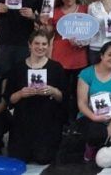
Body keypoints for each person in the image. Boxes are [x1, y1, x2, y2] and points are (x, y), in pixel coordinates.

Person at [4, 30, 66, 165]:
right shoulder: (18, 68)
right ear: (29, 45)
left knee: (43, 159)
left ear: (49, 46)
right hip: (23, 122)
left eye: (44, 44)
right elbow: (9, 99)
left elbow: (63, 98)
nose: (40, 47)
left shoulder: (56, 68)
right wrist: (21, 93)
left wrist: (53, 91)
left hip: (47, 122)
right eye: (37, 43)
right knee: (19, 159)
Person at [39, 0, 88, 128]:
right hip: (61, 57)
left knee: (79, 92)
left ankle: (78, 122)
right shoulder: (55, 11)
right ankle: (63, 122)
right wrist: (44, 22)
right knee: (62, 92)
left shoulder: (85, 9)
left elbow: (92, 31)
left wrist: (82, 41)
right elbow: (48, 34)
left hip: (80, 57)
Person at [77, 41, 111, 161]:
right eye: (110, 54)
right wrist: (94, 117)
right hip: (91, 118)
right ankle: (90, 147)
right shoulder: (86, 74)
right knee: (97, 134)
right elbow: (81, 103)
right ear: (102, 55)